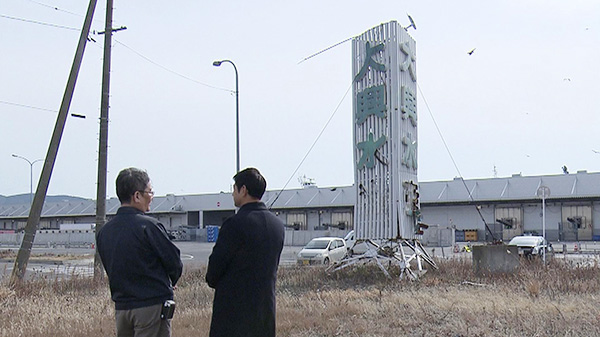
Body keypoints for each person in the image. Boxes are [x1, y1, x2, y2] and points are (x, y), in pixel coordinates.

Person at [97, 167, 183, 337]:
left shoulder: (105, 231)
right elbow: (174, 261)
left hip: (122, 307)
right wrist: (170, 281)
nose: (151, 197)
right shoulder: (149, 226)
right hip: (151, 305)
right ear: (137, 196)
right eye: (149, 192)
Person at [206, 168, 285, 337]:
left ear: (243, 190)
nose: (233, 193)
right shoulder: (277, 225)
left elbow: (214, 270)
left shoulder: (234, 224)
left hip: (234, 313)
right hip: (265, 310)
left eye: (234, 188)